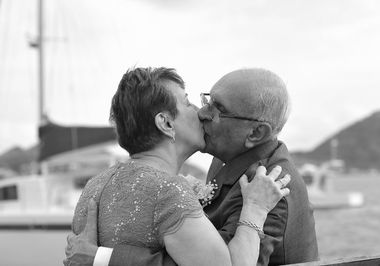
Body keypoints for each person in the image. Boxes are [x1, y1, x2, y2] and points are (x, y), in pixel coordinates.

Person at [65, 68, 318, 266]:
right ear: (165, 123)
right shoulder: (206, 169)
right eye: (196, 101)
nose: (202, 112)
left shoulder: (270, 188)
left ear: (256, 133)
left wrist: (102, 259)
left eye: (218, 108)